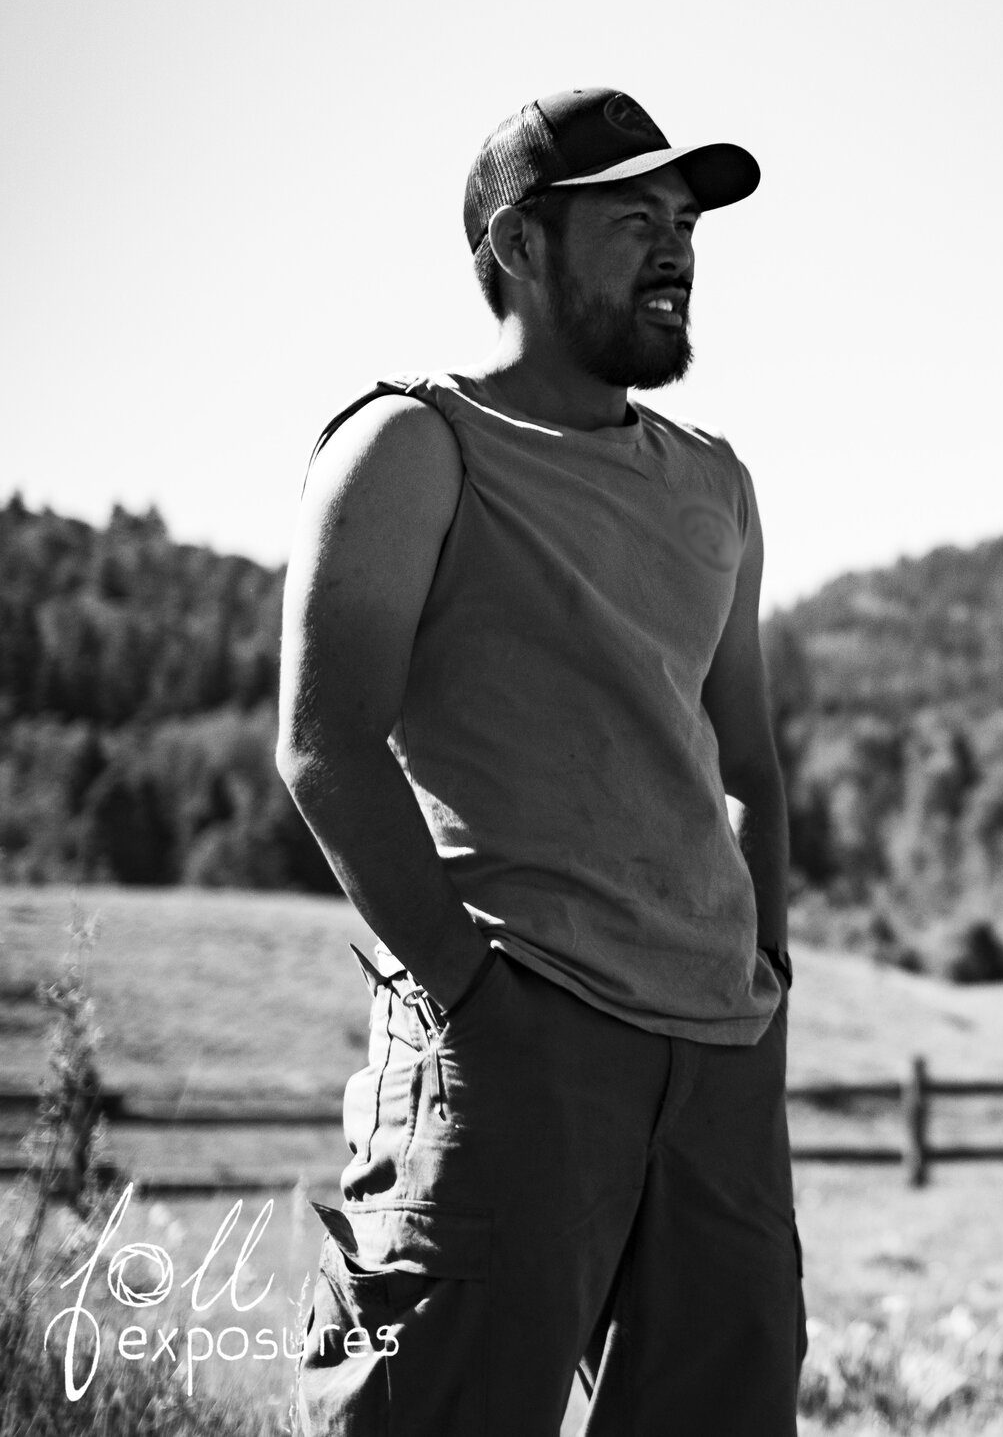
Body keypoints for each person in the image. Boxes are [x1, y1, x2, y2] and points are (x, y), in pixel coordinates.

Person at [275, 87, 801, 1433]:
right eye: (636, 220)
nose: (678, 249)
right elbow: (325, 745)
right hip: (513, 1034)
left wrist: (766, 979)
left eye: (685, 223)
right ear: (518, 244)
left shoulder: (717, 482)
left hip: (716, 1060)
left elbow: (744, 756)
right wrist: (473, 1001)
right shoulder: (414, 446)